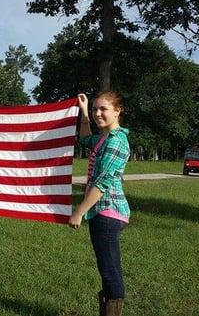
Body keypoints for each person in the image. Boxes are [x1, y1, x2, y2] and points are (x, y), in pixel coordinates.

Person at [69, 91, 130, 316]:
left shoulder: (116, 141)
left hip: (108, 212)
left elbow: (102, 182)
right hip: (101, 213)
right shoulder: (104, 137)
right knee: (106, 270)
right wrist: (84, 111)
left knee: (110, 271)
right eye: (96, 109)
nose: (98, 113)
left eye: (103, 109)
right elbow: (85, 138)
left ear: (117, 111)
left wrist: (79, 212)